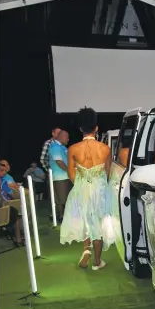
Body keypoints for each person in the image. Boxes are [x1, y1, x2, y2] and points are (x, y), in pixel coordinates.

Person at [59, 108, 116, 270]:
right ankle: (97, 262)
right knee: (98, 222)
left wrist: (83, 181)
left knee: (85, 219)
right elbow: (108, 173)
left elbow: (71, 174)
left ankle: (86, 249)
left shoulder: (73, 149)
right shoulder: (105, 149)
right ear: (96, 128)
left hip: (81, 188)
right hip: (100, 189)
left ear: (80, 129)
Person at [48, 130, 71, 221]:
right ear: (61, 136)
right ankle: (60, 216)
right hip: (59, 177)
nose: (68, 139)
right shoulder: (54, 147)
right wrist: (69, 171)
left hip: (66, 176)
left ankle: (64, 215)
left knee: (65, 197)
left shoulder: (63, 148)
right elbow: (59, 162)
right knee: (60, 198)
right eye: (67, 137)